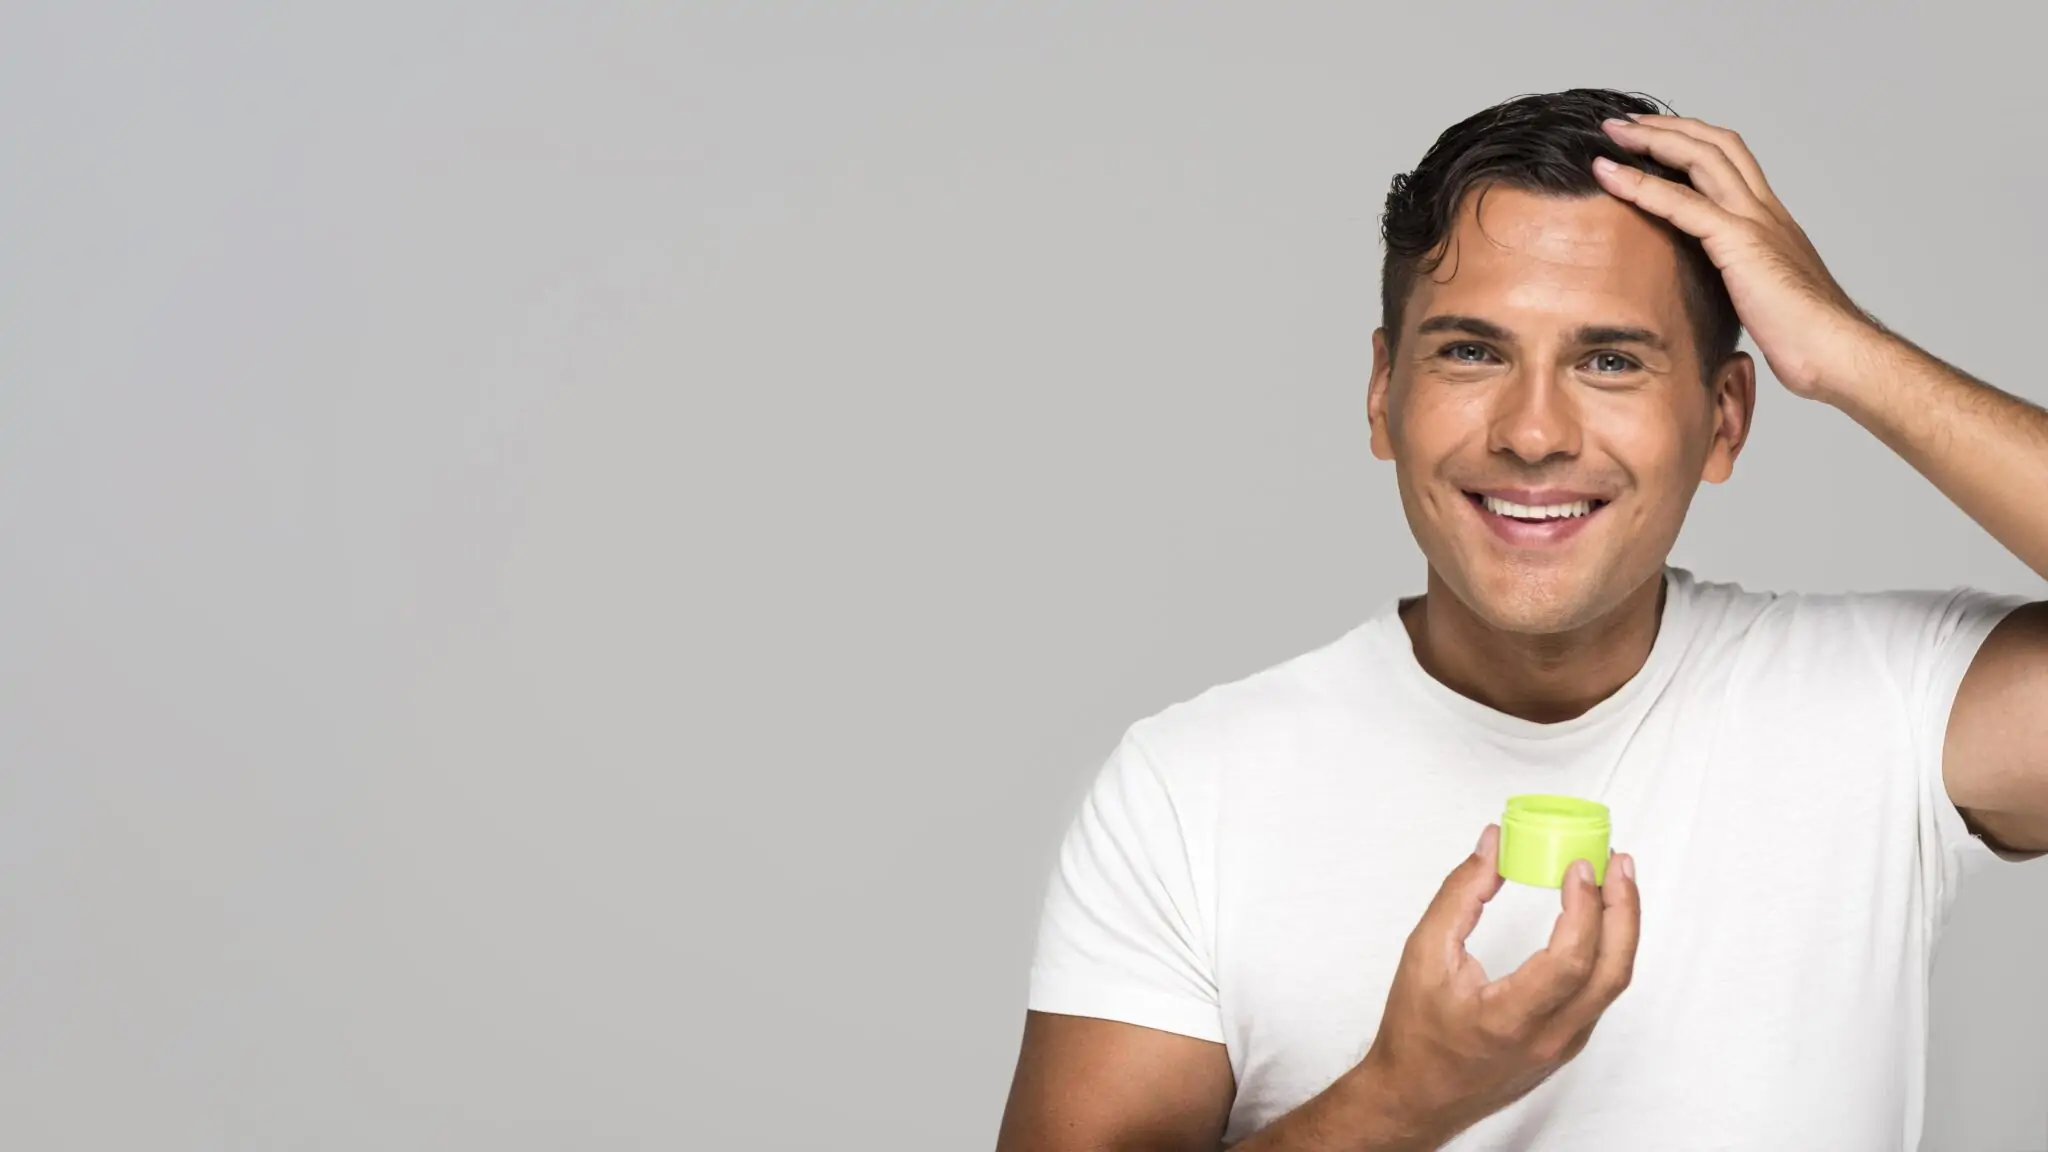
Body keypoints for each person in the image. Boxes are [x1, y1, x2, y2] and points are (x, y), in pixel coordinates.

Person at [993, 88, 2048, 1151]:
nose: (1534, 433)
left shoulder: (1891, 706)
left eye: (1609, 361)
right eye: (1471, 352)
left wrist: (1843, 349)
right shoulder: (1188, 790)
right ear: (1382, 393)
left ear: (1724, 418)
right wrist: (1397, 1102)